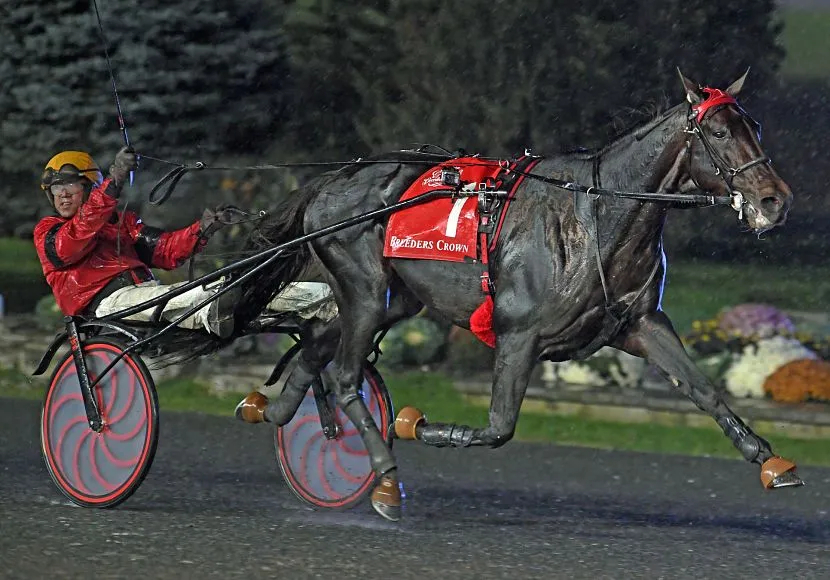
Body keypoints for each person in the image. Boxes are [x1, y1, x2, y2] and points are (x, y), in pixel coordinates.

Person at [33, 147, 237, 337]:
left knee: (215, 286)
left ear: (90, 187)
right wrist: (115, 180)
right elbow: (73, 240)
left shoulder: (124, 223)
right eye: (56, 187)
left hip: (141, 297)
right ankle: (214, 304)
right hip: (104, 308)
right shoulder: (48, 230)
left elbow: (164, 250)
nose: (62, 193)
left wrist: (202, 229)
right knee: (171, 297)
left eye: (69, 184)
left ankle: (222, 307)